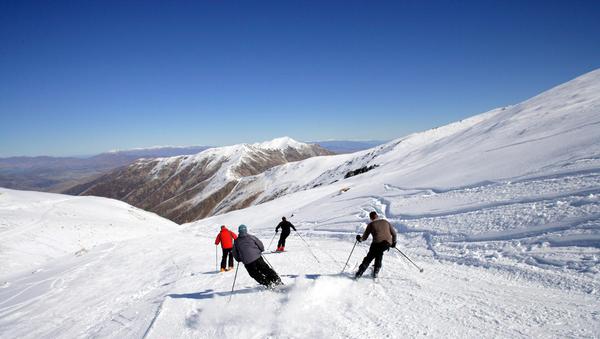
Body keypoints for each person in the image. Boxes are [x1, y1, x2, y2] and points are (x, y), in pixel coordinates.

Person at [354, 211, 397, 279]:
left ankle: (359, 273)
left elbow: (364, 237)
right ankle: (376, 271)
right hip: (387, 243)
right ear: (377, 216)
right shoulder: (385, 222)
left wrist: (359, 239)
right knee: (379, 253)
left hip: (377, 244)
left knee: (369, 258)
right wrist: (393, 242)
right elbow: (394, 234)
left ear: (371, 218)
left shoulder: (371, 225)